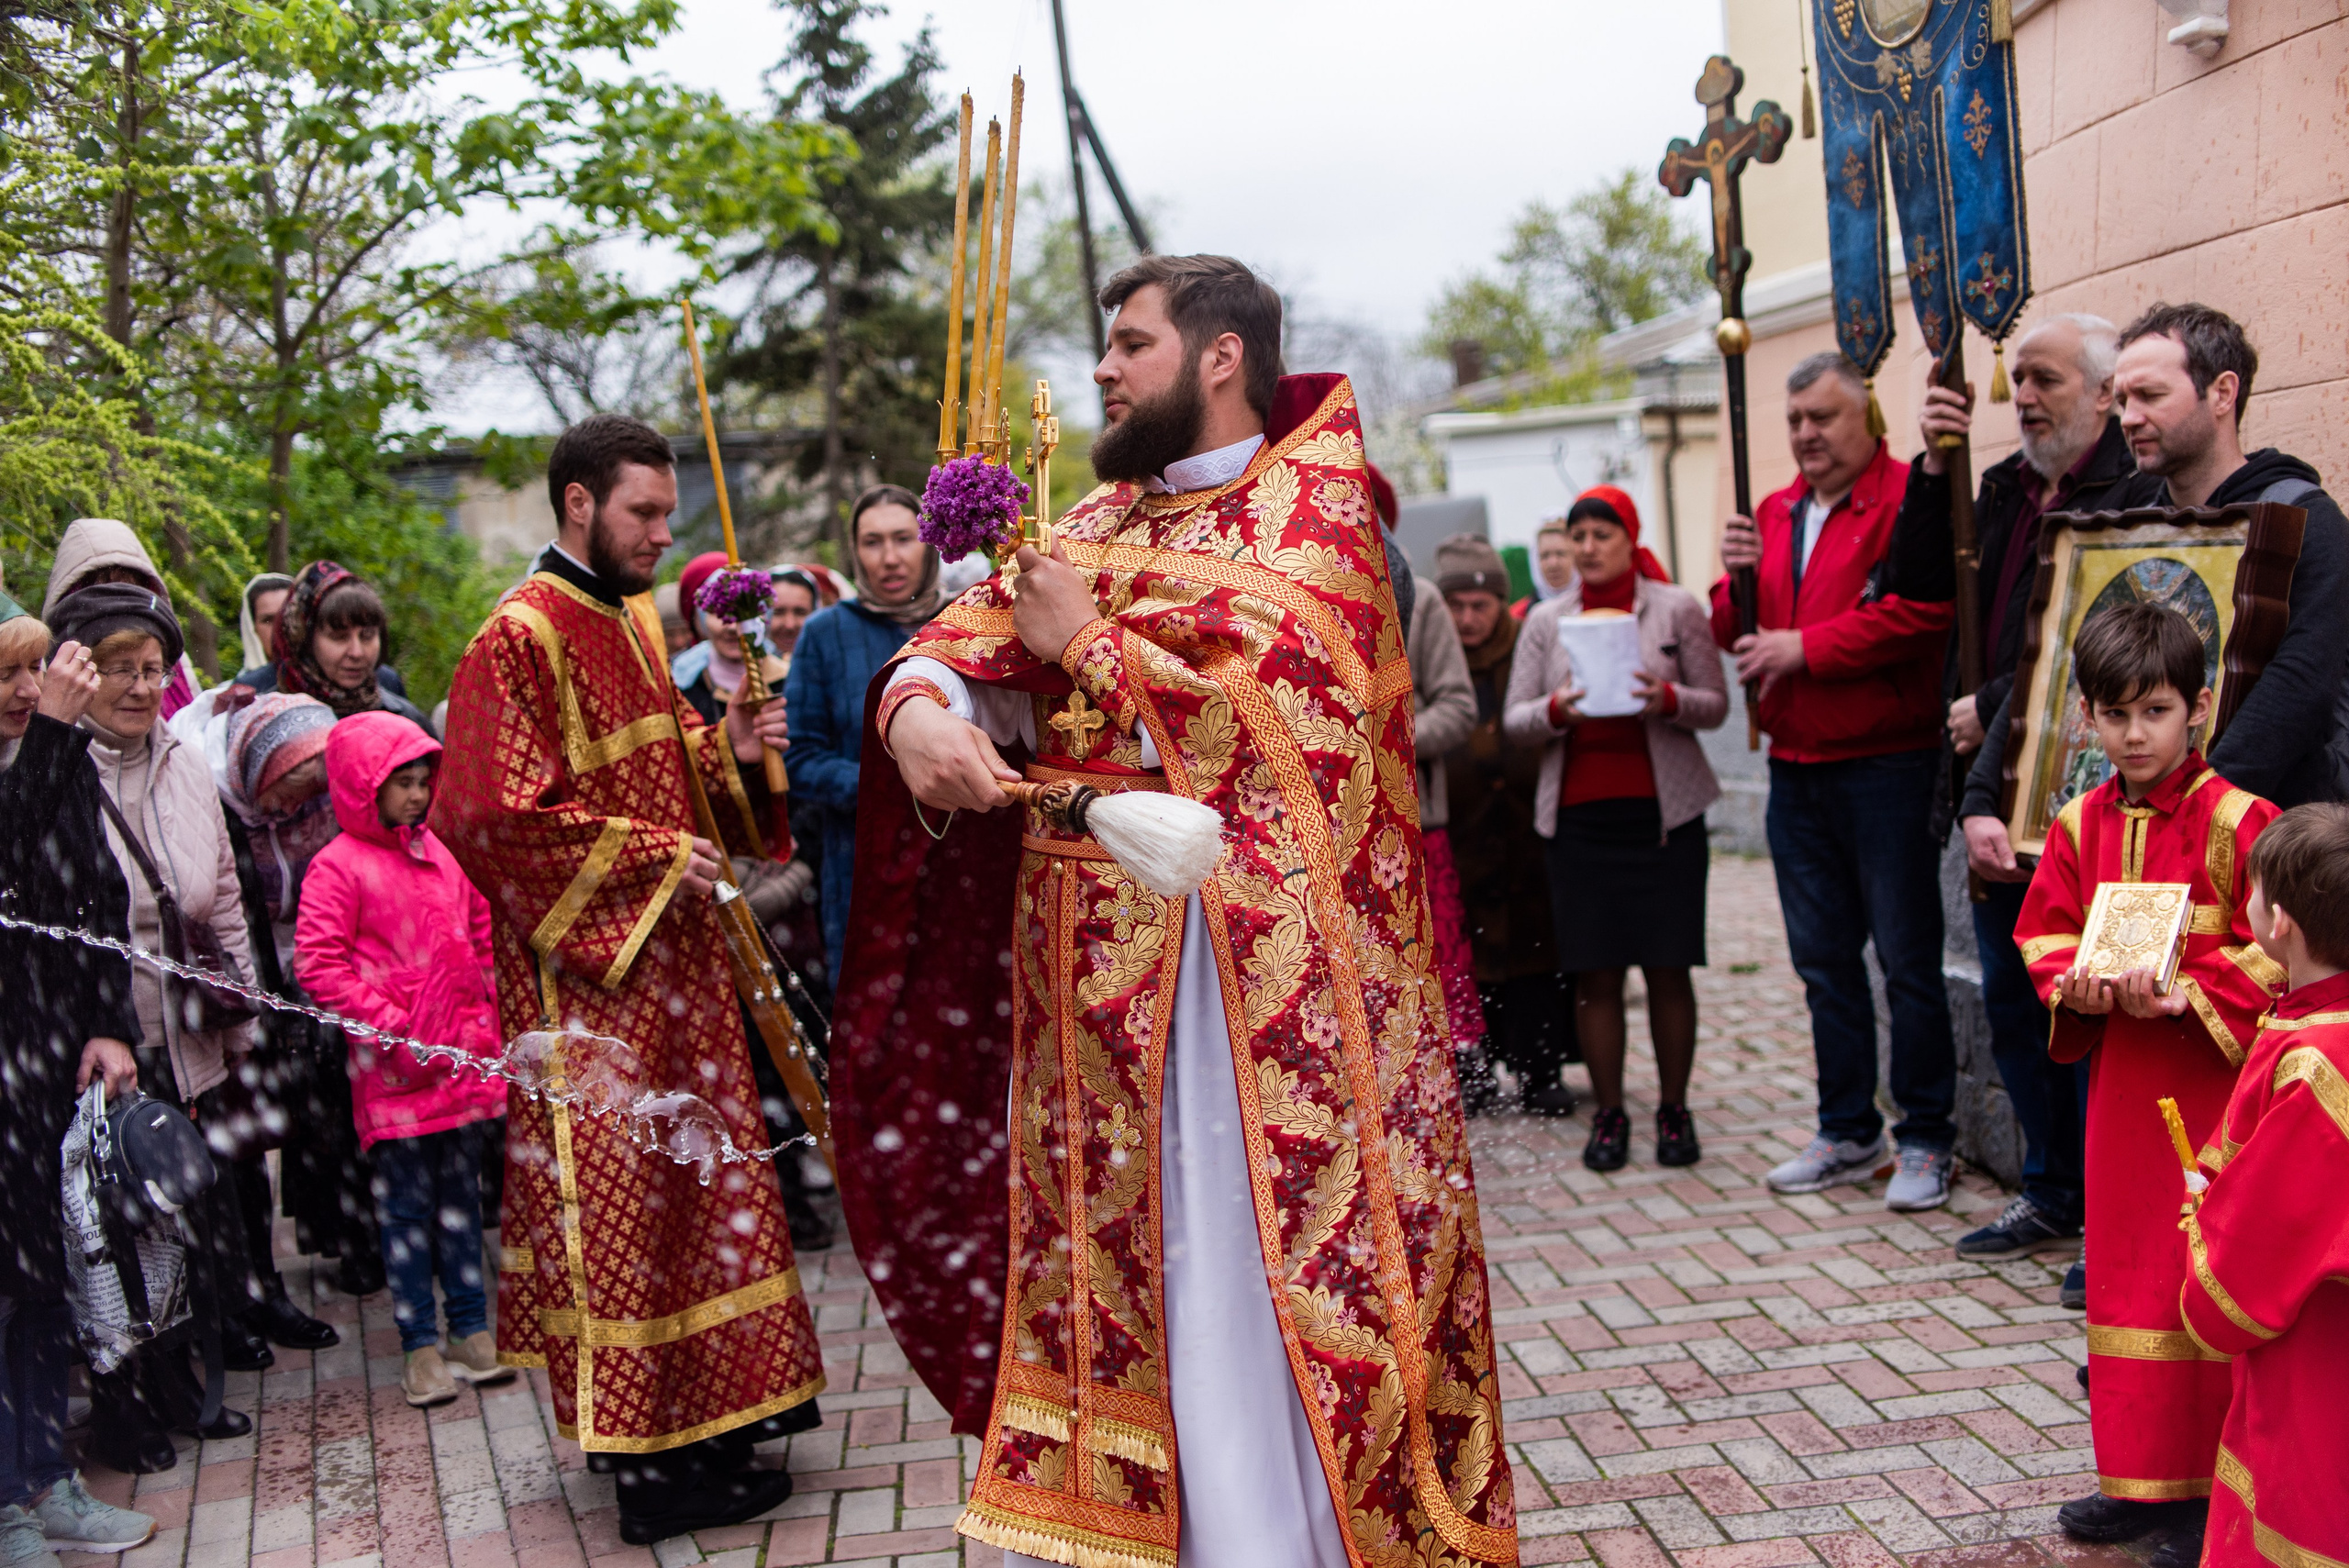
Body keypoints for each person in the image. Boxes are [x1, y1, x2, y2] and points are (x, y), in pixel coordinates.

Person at [833, 254, 1515, 1567]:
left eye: (1130, 343)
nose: (1102, 368)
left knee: (1247, 1283)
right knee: (1144, 1274)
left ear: (1218, 357)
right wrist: (915, 707)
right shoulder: (1093, 522)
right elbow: (966, 641)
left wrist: (1087, 644)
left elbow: (1294, 749)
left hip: (1255, 1024)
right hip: (1093, 1026)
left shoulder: (1311, 524)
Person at [434, 413, 818, 1545]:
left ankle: (718, 1417)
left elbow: (662, 770)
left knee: (700, 1190)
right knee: (629, 1211)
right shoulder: (519, 634)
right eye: (643, 513)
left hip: (678, 972)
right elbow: (488, 816)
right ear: (577, 506)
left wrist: (733, 747)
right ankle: (653, 1467)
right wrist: (655, 858)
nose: (663, 532)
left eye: (666, 511)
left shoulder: (630, 618)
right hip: (593, 997)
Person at [2014, 603, 2279, 1563]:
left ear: (2197, 707)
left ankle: (2215, 1491)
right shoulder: (2078, 822)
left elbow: (2289, 946)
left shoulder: (2243, 820)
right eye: (2114, 713)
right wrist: (2073, 987)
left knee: (2203, 1269)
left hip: (2216, 1086)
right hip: (2123, 1091)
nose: (2133, 733)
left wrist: (2190, 994)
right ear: (2084, 717)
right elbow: (2042, 931)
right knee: (2126, 1268)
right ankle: (2139, 1479)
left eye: (2155, 710)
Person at [1882, 315, 2137, 1267]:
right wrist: (1930, 463)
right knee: (2017, 1001)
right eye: (2016, 379)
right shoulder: (1995, 486)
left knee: (2094, 1011)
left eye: (2045, 379)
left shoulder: (2132, 490)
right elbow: (1910, 584)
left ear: (2104, 393)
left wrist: (1990, 704)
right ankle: (2050, 1188)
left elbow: (2106, 632)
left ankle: (2113, 1213)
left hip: (2085, 793)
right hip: (1996, 797)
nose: (2022, 396)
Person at [1718, 351, 1959, 1210]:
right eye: (1794, 422)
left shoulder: (1907, 498)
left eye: (1822, 417)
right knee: (1823, 964)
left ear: (1869, 417)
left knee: (1905, 960)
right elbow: (1735, 626)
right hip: (1796, 769)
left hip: (1887, 764)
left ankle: (1926, 1135)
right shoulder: (1777, 511)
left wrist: (1807, 649)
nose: (1806, 435)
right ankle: (1848, 1127)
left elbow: (1926, 612)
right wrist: (1732, 573)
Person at [44, 583, 261, 1470]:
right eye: (119, 669)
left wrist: (243, 1011)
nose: (139, 686)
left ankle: (181, 1382)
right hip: (99, 1034)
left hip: (188, 1030)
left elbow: (224, 897)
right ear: (79, 673)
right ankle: (124, 1407)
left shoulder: (183, 763)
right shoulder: (51, 769)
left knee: (178, 1218)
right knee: (113, 1232)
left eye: (153, 669)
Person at [0, 600, 161, 1564]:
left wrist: (108, 1019)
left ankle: (47, 1479)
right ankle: (7, 1504)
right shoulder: (46, 755)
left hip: (48, 1062)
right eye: (10, 677)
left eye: (36, 674)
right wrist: (58, 734)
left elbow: (97, 894)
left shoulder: (49, 766)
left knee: (53, 1276)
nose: (30, 693)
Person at [1507, 486, 1727, 1170]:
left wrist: (1667, 699)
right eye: (1579, 536)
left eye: (1603, 533)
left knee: (1668, 967)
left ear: (1630, 539)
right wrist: (1556, 709)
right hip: (1577, 822)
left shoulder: (1676, 607)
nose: (1589, 546)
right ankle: (1608, 1114)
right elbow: (1515, 719)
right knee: (1595, 974)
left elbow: (1715, 704)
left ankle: (1673, 1109)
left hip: (1664, 820)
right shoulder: (1547, 620)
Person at [296, 711, 511, 1408]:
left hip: (460, 1065)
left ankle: (471, 1329)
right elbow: (319, 965)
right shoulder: (337, 868)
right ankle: (419, 1340)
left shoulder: (441, 851)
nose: (418, 796)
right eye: (403, 783)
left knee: (463, 1201)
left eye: (425, 781)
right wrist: (393, 1025)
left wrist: (483, 1016)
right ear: (364, 787)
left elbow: (479, 934)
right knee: (407, 1209)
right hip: (396, 1076)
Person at [2178, 803, 2349, 1567]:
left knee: (2308, 1487)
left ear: (2277, 922)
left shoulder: (2316, 1063)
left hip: (2321, 1340)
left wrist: (2203, 1223)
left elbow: (2264, 1240)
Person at [209, 693, 346, 1354]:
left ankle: (266, 1287)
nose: (296, 806)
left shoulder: (318, 806)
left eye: (310, 792)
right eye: (288, 788)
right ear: (256, 769)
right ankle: (228, 1301)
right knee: (226, 1149)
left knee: (268, 1139)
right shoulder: (216, 802)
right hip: (228, 987)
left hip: (302, 981)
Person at [1437, 533, 1578, 1117]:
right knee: (1473, 952)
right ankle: (1477, 1064)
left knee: (1537, 948)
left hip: (1525, 827)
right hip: (1465, 830)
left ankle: (1540, 1066)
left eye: (1482, 605)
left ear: (1501, 601)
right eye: (1458, 607)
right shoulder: (1437, 654)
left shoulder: (1527, 646)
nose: (1469, 619)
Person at [782, 484, 943, 984]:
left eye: (904, 537)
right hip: (862, 863)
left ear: (931, 541)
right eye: (873, 542)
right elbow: (800, 759)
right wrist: (885, 785)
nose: (890, 558)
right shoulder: (826, 632)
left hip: (953, 857)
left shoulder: (963, 619)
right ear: (855, 551)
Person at [1374, 469, 1484, 1097]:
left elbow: (1457, 706)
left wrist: (1385, 740)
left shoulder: (1424, 597)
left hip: (1415, 813)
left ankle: (1453, 1062)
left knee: (1431, 949)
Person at [38, 518, 205, 722]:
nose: (119, 603)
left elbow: (191, 728)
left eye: (130, 588)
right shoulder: (49, 674)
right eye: (104, 590)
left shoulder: (171, 666)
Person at [240, 561, 429, 727]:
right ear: (305, 640)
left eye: (367, 636)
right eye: (339, 637)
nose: (357, 652)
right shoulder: (266, 721)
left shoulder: (405, 718)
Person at [235, 573, 295, 677]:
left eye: (287, 616)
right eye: (268, 620)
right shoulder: (231, 691)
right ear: (252, 628)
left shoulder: (330, 688)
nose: (279, 627)